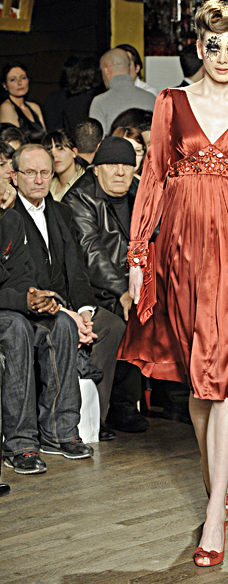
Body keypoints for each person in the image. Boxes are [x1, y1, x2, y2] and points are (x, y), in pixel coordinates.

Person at [117, 0, 228, 567]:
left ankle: (214, 513)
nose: (224, 56)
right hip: (181, 253)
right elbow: (153, 178)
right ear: (199, 47)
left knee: (227, 381)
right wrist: (139, 253)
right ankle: (218, 479)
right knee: (197, 385)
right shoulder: (171, 102)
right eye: (215, 46)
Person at [12, 143, 126, 442]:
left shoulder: (61, 212)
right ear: (14, 176)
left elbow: (77, 269)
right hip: (33, 307)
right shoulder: (8, 215)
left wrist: (85, 311)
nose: (39, 180)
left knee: (110, 326)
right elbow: (21, 279)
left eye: (45, 172)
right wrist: (67, 313)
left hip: (69, 304)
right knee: (61, 327)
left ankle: (92, 419)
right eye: (31, 173)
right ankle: (55, 421)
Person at [63, 136, 149, 434]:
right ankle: (110, 408)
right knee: (123, 319)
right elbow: (92, 254)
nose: (120, 172)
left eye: (126, 165)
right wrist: (122, 291)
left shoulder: (139, 191)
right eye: (112, 165)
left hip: (135, 281)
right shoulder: (80, 198)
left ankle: (172, 401)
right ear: (96, 168)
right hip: (93, 289)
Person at [0, 204, 94, 474]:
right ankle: (19, 444)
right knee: (16, 328)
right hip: (8, 311)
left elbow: (21, 275)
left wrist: (37, 300)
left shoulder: (11, 218)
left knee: (62, 323)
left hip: (12, 304)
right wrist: (22, 300)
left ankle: (59, 432)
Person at [89, 49, 155, 136]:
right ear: (130, 67)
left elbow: (96, 140)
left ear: (107, 69)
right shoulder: (151, 98)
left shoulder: (100, 102)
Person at [0, 63, 45, 141]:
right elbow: (11, 143)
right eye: (13, 79)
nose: (19, 83)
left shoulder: (35, 107)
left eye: (23, 78)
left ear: (28, 80)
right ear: (5, 85)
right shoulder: (6, 107)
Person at [42, 130, 84, 201]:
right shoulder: (47, 185)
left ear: (74, 152)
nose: (54, 155)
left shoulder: (86, 182)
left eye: (60, 149)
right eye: (49, 152)